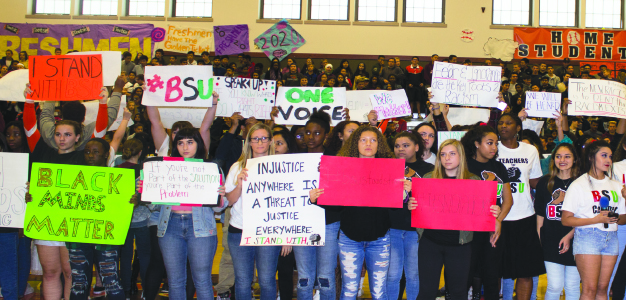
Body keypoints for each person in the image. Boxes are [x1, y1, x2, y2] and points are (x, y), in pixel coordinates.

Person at [22, 82, 110, 300]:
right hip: (47, 221)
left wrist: (103, 102)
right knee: (50, 273)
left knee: (73, 273)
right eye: (59, 134)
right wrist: (29, 101)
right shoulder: (43, 152)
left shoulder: (85, 157)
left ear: (78, 137)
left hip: (74, 223)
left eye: (68, 135)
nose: (62, 138)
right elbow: (30, 127)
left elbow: (99, 129)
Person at [309, 125, 411, 300]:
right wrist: (316, 199)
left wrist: (404, 193)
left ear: (380, 144)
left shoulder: (389, 170)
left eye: (373, 140)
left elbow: (394, 206)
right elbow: (335, 205)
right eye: (363, 140)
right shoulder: (343, 168)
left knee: (379, 292)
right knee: (349, 290)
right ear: (355, 143)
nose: (368, 144)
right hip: (349, 238)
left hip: (380, 239)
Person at [136, 128, 227, 300]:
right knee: (175, 281)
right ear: (175, 145)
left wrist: (221, 197)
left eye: (190, 142)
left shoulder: (211, 168)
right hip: (170, 225)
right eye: (180, 142)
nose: (185, 147)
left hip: (200, 227)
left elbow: (218, 209)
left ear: (198, 144)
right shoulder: (164, 169)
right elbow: (155, 207)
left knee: (202, 280)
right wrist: (146, 193)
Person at [409, 139, 500, 300]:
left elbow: (483, 210)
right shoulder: (428, 178)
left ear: (461, 156)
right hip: (430, 242)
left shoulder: (473, 181)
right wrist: (412, 204)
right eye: (443, 154)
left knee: (458, 293)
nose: (447, 158)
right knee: (426, 292)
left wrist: (494, 210)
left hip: (460, 244)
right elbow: (418, 207)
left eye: (452, 154)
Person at [562, 140, 626, 300]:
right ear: (591, 157)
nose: (608, 160)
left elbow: (624, 219)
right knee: (589, 289)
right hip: (587, 237)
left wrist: (614, 216)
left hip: (611, 238)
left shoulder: (616, 185)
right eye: (604, 155)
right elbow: (566, 219)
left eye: (610, 157)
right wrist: (595, 219)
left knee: (603, 289)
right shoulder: (578, 185)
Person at [225, 123, 281, 300]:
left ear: (271, 141)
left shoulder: (281, 167)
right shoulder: (237, 167)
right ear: (249, 142)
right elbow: (229, 201)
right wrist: (240, 184)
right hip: (240, 230)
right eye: (255, 139)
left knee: (266, 280)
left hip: (268, 231)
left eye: (264, 138)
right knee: (242, 280)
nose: (260, 142)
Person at [496, 113, 546, 300]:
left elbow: (535, 182)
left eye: (509, 123)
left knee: (526, 270)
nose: (503, 126)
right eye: (500, 123)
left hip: (525, 216)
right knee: (497, 269)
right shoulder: (493, 148)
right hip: (498, 217)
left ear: (518, 128)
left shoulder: (530, 150)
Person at [461, 125, 514, 300]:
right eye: (489, 143)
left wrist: (498, 221)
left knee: (492, 276)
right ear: (476, 143)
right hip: (468, 230)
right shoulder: (464, 166)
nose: (494, 148)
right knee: (465, 275)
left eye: (496, 144)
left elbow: (508, 200)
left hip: (493, 229)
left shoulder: (498, 167)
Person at [387, 132, 434, 300]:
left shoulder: (429, 169)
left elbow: (433, 199)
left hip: (416, 230)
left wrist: (414, 189)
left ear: (416, 147)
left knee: (413, 274)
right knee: (392, 275)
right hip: (391, 228)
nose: (400, 149)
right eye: (397, 146)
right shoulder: (387, 167)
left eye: (405, 145)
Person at [535, 143, 581, 300]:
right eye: (558, 156)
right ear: (553, 159)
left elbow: (585, 216)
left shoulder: (582, 182)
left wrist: (570, 235)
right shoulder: (545, 182)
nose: (562, 160)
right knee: (554, 285)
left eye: (567, 156)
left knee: (572, 286)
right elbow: (540, 215)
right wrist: (539, 239)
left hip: (577, 240)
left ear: (575, 159)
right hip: (550, 240)